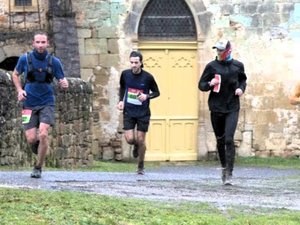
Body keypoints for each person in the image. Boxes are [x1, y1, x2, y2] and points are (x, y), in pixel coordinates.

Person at [12, 31, 68, 178]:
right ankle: (39, 148)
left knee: (43, 134)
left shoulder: (54, 62)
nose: (41, 45)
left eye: (43, 42)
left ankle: (38, 167)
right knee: (31, 138)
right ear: (33, 43)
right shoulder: (25, 59)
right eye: (38, 42)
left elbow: (62, 80)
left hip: (47, 102)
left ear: (47, 43)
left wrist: (64, 83)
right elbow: (15, 74)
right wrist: (19, 90)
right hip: (28, 102)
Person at [198, 39, 247, 185]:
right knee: (220, 140)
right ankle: (224, 166)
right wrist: (209, 84)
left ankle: (229, 173)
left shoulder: (238, 66)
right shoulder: (211, 66)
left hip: (232, 107)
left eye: (221, 50)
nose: (218, 53)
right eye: (217, 50)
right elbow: (201, 85)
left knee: (228, 139)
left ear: (228, 51)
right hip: (216, 107)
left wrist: (241, 89)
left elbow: (243, 80)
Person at [117, 51, 160, 175]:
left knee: (141, 140)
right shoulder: (125, 74)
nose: (134, 65)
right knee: (130, 139)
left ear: (141, 63)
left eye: (136, 62)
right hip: (129, 111)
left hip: (143, 112)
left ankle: (140, 166)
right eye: (131, 62)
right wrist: (121, 101)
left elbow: (157, 92)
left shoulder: (148, 77)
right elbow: (123, 88)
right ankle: (135, 145)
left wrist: (146, 96)